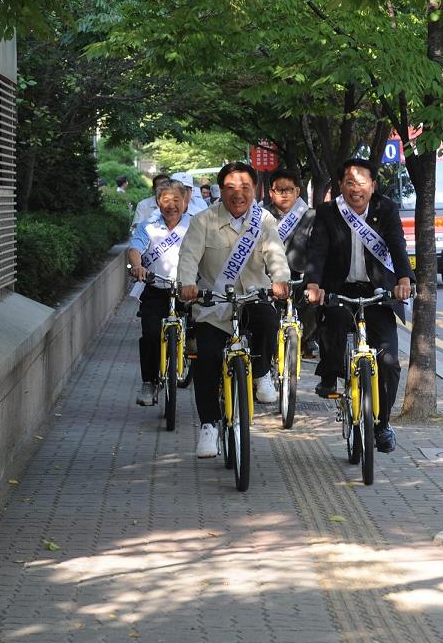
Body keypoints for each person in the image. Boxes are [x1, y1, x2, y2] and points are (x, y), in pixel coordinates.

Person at [178, 163, 290, 459]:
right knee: (208, 359)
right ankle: (209, 426)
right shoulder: (203, 221)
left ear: (255, 190)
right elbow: (188, 257)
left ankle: (262, 373)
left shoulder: (263, 220)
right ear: (220, 190)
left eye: (245, 188)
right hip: (213, 305)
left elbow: (275, 254)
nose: (238, 194)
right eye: (230, 188)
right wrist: (187, 283)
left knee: (268, 318)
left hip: (253, 297)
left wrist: (280, 280)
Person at [305, 157, 414, 453]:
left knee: (389, 362)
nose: (356, 188)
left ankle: (382, 425)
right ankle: (332, 375)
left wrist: (403, 278)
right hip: (339, 288)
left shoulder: (385, 208)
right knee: (334, 327)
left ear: (373, 186)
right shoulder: (329, 211)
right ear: (341, 186)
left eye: (362, 182)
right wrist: (314, 284)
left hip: (378, 291)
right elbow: (318, 249)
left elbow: (397, 245)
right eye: (350, 183)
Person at [126, 179, 191, 406]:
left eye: (176, 200)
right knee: (151, 334)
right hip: (156, 289)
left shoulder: (196, 226)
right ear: (157, 202)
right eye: (166, 200)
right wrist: (138, 265)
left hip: (188, 290)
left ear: (185, 202)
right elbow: (135, 248)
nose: (171, 205)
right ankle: (149, 383)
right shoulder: (148, 226)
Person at [265, 170, 319, 357]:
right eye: (279, 190)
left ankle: (307, 338)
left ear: (298, 191)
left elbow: (316, 249)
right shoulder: (261, 215)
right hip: (269, 276)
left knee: (314, 298)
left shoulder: (311, 215)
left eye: (289, 189)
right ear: (271, 192)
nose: (284, 193)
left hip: (301, 275)